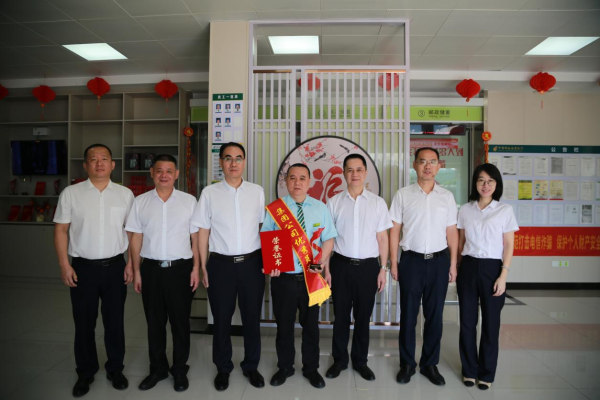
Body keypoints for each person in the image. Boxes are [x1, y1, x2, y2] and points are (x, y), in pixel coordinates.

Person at [54, 144, 134, 398]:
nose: (99, 163)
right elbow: (61, 230)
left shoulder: (125, 194)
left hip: (115, 267)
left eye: (104, 159)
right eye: (93, 159)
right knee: (84, 323)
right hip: (82, 268)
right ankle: (85, 372)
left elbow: (132, 232)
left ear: (113, 164)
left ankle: (115, 369)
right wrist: (64, 264)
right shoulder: (71, 193)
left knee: (115, 322)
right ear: (85, 165)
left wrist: (132, 263)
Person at [192, 142, 266, 391]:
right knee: (221, 319)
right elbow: (203, 231)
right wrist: (204, 266)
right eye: (228, 158)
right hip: (220, 265)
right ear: (221, 162)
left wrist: (269, 262)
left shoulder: (257, 192)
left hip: (252, 264)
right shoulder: (209, 193)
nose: (233, 163)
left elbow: (263, 228)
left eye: (238, 158)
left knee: (252, 318)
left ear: (244, 161)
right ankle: (223, 368)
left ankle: (251, 365)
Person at [126, 154, 200, 393]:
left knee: (180, 323)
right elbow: (135, 237)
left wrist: (196, 268)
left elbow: (196, 239)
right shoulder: (140, 202)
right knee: (154, 323)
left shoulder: (189, 201)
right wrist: (136, 270)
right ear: (152, 173)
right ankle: (157, 369)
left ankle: (179, 370)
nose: (164, 175)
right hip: (151, 270)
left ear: (176, 174)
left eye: (169, 171)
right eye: (159, 170)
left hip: (181, 270)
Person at [261, 163, 337, 389]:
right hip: (283, 278)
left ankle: (311, 368)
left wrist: (321, 261)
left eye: (302, 178)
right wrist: (273, 264)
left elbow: (329, 238)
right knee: (284, 326)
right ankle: (285, 367)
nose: (297, 182)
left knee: (311, 326)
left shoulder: (320, 208)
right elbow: (268, 238)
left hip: (310, 277)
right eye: (292, 177)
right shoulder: (276, 209)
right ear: (286, 181)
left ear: (309, 182)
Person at [389, 147, 458, 386]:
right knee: (408, 315)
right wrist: (393, 262)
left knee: (435, 316)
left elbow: (452, 231)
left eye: (432, 162)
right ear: (415, 165)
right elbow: (394, 230)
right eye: (422, 161)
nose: (427, 166)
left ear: (439, 166)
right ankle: (407, 364)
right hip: (411, 261)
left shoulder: (447, 197)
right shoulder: (403, 195)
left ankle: (430, 364)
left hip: (439, 261)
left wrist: (453, 263)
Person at [324, 154, 392, 381]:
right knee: (341, 316)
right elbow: (328, 239)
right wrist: (327, 269)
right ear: (344, 172)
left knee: (363, 317)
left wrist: (383, 268)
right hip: (340, 265)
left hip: (368, 268)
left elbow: (383, 238)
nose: (355, 174)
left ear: (365, 173)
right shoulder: (334, 202)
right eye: (350, 170)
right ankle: (339, 360)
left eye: (359, 169)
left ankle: (361, 361)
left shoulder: (378, 203)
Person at [457, 163, 518, 390]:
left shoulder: (505, 210)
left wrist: (503, 275)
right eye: (481, 180)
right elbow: (461, 242)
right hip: (468, 267)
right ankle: (469, 370)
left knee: (491, 323)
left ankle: (486, 373)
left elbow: (509, 244)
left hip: (493, 269)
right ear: (475, 183)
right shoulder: (465, 209)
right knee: (467, 323)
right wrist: (457, 267)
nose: (485, 185)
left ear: (496, 184)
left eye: (490, 181)